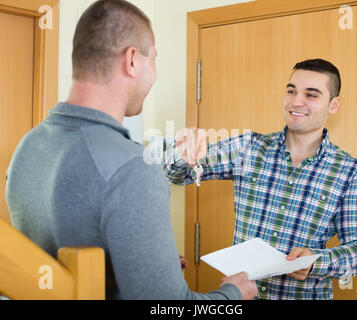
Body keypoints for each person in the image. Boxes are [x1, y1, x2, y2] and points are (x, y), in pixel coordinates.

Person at [5, 0, 257, 300]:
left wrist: (149, 266)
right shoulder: (133, 167)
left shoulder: (28, 145)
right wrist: (233, 295)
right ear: (133, 61)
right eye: (155, 60)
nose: (155, 72)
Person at [163, 58, 357, 300]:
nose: (297, 101)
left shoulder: (351, 172)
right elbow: (175, 174)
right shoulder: (248, 148)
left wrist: (317, 262)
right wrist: (183, 150)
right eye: (291, 91)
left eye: (311, 95)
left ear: (333, 105)